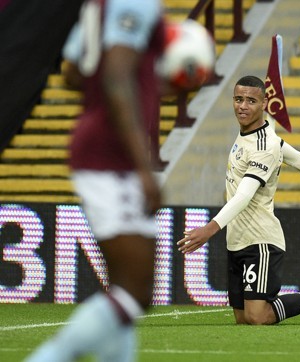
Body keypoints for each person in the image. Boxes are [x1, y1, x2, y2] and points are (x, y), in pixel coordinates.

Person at [27, 0, 164, 360]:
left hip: (96, 146)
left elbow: (73, 72)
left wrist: (147, 80)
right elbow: (116, 76)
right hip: (111, 155)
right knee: (137, 290)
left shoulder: (100, 5)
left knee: (124, 286)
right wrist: (144, 167)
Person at [177, 75, 300, 326]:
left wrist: (209, 229)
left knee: (258, 316)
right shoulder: (257, 134)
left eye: (251, 101)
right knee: (243, 318)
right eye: (238, 99)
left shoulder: (265, 146)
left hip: (260, 240)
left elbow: (245, 194)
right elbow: (298, 158)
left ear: (264, 103)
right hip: (237, 239)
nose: (243, 106)